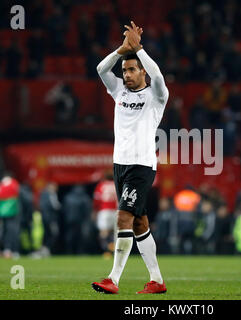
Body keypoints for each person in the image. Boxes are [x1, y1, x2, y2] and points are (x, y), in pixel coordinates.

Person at [91, 21, 169, 294]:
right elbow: (101, 69)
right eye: (124, 70)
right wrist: (120, 51)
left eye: (131, 69)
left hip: (141, 164)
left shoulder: (156, 96)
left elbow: (158, 76)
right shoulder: (119, 92)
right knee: (139, 222)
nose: (126, 74)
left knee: (123, 217)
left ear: (142, 71)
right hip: (120, 164)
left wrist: (139, 48)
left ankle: (113, 279)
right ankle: (157, 280)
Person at [93, 171, 118, 258]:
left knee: (104, 232)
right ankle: (113, 250)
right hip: (115, 211)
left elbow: (97, 199)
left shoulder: (101, 185)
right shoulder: (117, 185)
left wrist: (95, 211)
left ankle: (107, 251)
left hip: (105, 211)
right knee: (114, 233)